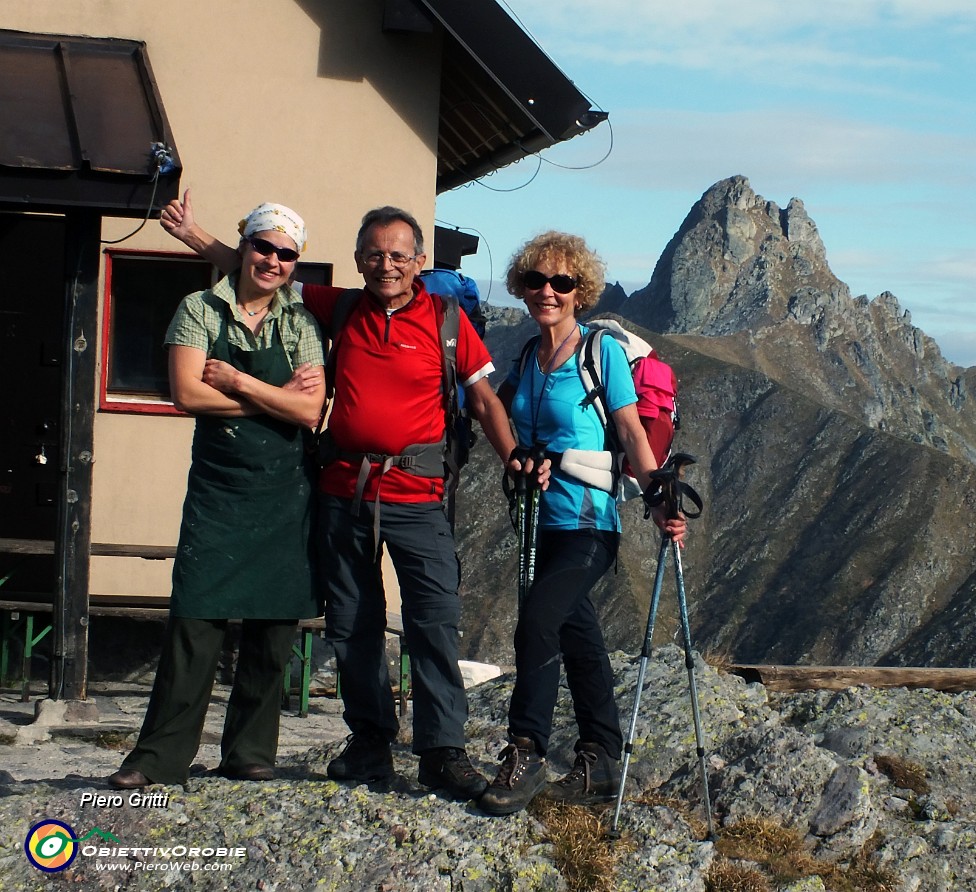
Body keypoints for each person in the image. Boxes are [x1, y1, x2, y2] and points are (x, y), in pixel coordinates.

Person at [160, 193, 545, 801]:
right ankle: (370, 739)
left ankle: (442, 750)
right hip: (342, 490)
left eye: (397, 255)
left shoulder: (448, 322)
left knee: (433, 621)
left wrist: (515, 455)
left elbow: (483, 400)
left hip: (418, 497)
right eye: (372, 254)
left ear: (418, 260)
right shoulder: (337, 308)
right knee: (354, 622)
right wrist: (193, 234)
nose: (385, 265)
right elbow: (258, 267)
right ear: (359, 260)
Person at [108, 203, 325, 789]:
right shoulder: (198, 309)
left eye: (286, 253)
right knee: (194, 620)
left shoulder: (302, 321)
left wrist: (235, 381)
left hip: (285, 494)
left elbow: (309, 411)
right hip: (219, 491)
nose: (272, 260)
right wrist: (272, 397)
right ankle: (159, 756)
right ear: (245, 244)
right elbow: (185, 393)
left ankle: (250, 750)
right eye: (263, 246)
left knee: (274, 626)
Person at [477, 231, 686, 816]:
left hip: (590, 527)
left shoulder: (601, 354)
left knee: (538, 622)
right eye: (537, 280)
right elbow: (508, 426)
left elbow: (630, 433)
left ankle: (527, 752)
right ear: (521, 288)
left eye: (562, 283)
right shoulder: (526, 356)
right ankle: (601, 758)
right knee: (577, 634)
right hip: (539, 524)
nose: (548, 291)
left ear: (579, 292)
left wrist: (657, 498)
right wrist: (519, 459)